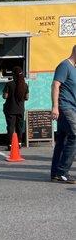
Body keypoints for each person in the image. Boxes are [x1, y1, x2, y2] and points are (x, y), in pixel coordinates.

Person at [50, 45, 76, 184]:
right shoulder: (64, 65)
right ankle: (63, 172)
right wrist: (55, 106)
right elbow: (55, 85)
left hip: (71, 108)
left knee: (62, 140)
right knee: (75, 136)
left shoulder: (73, 68)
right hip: (65, 108)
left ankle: (55, 173)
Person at [2, 66, 29, 150]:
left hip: (10, 109)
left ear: (13, 75)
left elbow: (5, 96)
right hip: (20, 109)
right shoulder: (25, 85)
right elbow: (27, 97)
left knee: (10, 127)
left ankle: (10, 145)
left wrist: (5, 94)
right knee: (19, 127)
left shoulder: (9, 84)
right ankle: (19, 143)